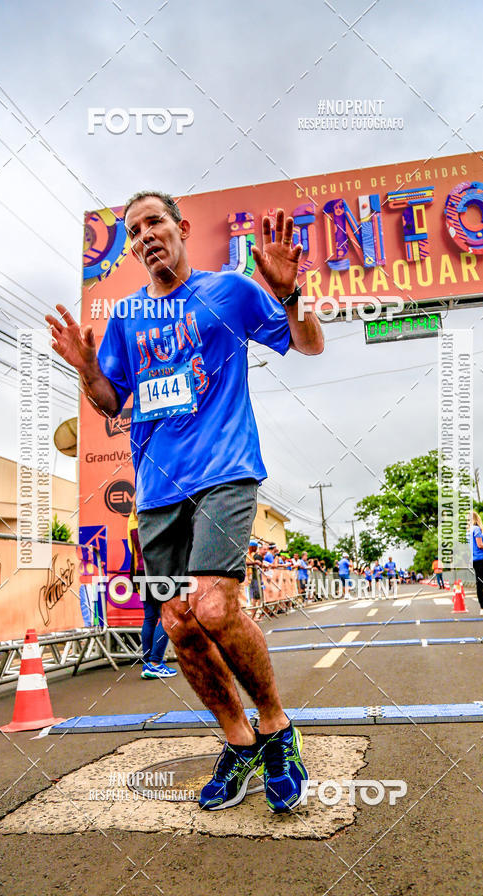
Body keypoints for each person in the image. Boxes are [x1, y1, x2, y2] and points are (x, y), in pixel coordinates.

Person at [46, 192, 323, 813]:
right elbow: (111, 401)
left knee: (215, 605)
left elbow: (308, 346)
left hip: (224, 472)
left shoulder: (230, 290)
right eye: (133, 228)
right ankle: (238, 740)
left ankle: (277, 728)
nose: (144, 234)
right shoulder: (124, 316)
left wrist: (289, 293)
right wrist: (88, 370)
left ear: (181, 229)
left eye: (154, 222)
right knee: (178, 623)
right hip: (158, 491)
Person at [127, 501, 176, 678]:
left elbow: (132, 549)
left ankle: (148, 663)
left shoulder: (132, 519)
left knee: (149, 618)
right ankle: (155, 662)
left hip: (140, 571)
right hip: (159, 571)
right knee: (167, 617)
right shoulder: (156, 516)